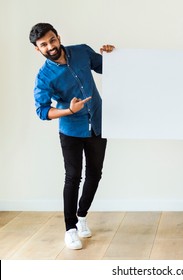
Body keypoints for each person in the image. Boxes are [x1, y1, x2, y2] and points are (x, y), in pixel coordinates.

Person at [29, 23, 115, 250]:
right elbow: (42, 111)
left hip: (97, 123)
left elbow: (108, 67)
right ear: (38, 49)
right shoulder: (44, 77)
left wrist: (112, 54)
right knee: (73, 176)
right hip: (71, 130)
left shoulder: (81, 51)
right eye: (43, 45)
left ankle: (82, 216)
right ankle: (70, 229)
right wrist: (69, 110)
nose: (50, 47)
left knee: (95, 174)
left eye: (52, 40)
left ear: (58, 37)